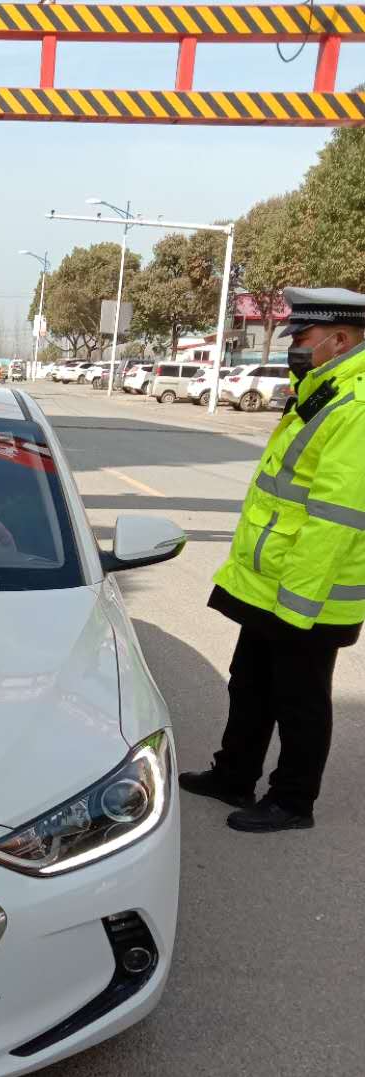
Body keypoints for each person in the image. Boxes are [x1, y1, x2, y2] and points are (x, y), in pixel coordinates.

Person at [180, 286, 365, 833]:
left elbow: (335, 518)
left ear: (340, 340)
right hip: (273, 583)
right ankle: (234, 775)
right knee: (250, 683)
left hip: (308, 594)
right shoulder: (323, 391)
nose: (295, 346)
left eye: (303, 337)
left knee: (300, 699)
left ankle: (292, 801)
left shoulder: (355, 407)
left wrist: (296, 605)